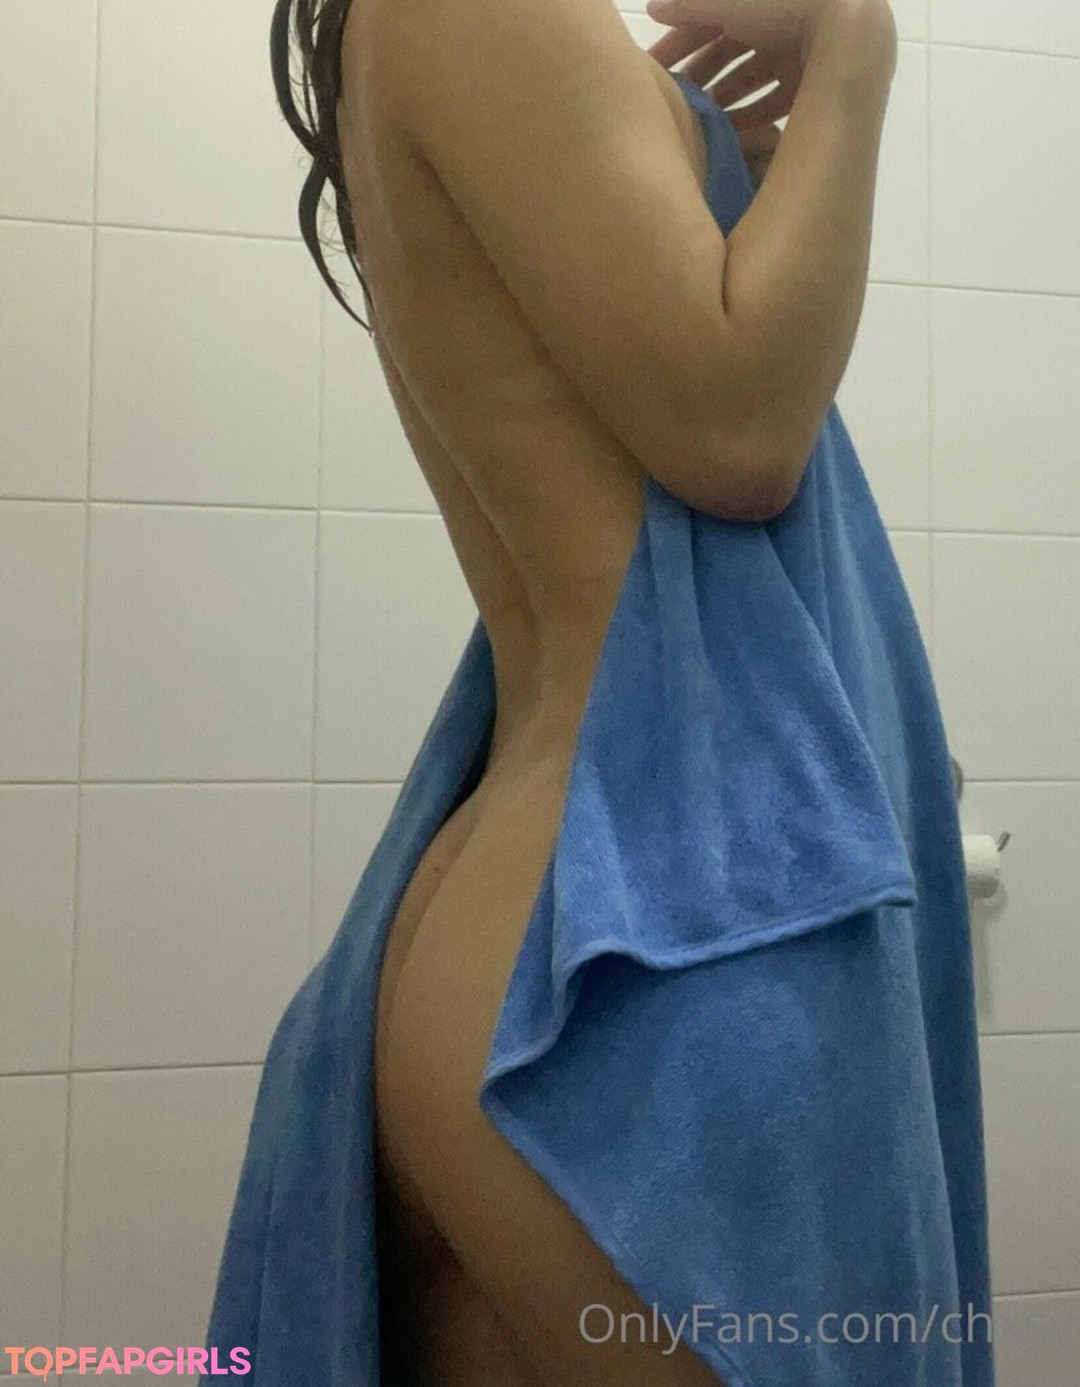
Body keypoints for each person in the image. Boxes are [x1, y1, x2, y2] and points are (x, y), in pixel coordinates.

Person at [200, 1, 994, 1382]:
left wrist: (725, 168)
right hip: (622, 944)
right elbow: (741, 426)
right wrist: (857, 50)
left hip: (560, 902)